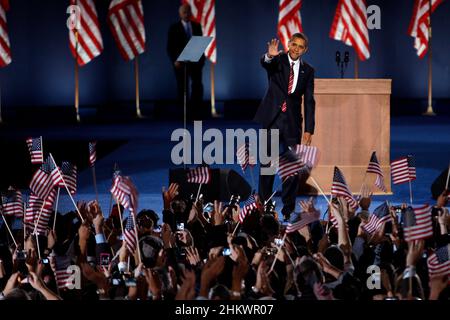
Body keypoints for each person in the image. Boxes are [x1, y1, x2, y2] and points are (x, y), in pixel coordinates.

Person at [254, 33, 316, 221]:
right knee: (267, 166)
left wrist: (309, 129)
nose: (296, 48)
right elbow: (265, 63)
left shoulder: (309, 70)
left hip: (292, 124)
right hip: (272, 120)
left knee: (291, 169)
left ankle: (288, 210)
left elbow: (309, 101)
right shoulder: (277, 60)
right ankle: (264, 206)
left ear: (305, 50)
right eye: (293, 44)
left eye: (300, 46)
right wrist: (270, 56)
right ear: (288, 44)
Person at [167, 3, 205, 118]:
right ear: (180, 14)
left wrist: (201, 61)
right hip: (180, 63)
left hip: (195, 63)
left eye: (188, 11)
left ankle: (196, 112)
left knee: (197, 87)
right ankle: (183, 114)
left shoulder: (197, 26)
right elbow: (170, 47)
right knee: (182, 88)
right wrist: (175, 61)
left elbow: (200, 44)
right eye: (184, 12)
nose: (187, 14)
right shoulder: (174, 28)